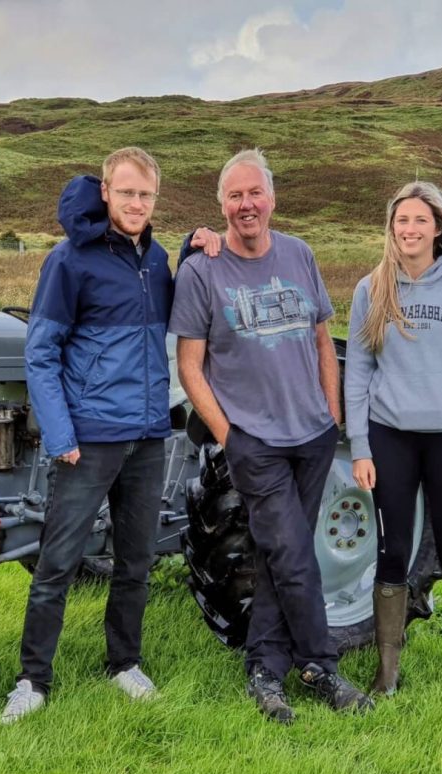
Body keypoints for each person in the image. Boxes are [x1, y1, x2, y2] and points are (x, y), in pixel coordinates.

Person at [171, 148, 374, 724]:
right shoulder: (201, 271)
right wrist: (229, 435)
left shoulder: (300, 254)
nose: (245, 206)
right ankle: (320, 664)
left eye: (253, 193)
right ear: (221, 206)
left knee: (274, 553)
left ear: (272, 198)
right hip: (253, 439)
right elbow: (190, 366)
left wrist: (329, 413)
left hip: (310, 434)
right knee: (290, 549)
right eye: (234, 197)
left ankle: (264, 667)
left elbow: (320, 341)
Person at [0, 147, 173, 723]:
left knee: (136, 561)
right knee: (58, 563)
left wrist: (201, 245)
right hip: (89, 437)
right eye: (126, 193)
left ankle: (124, 663)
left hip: (148, 435)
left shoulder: (158, 260)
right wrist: (60, 433)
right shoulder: (69, 261)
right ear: (106, 191)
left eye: (145, 195)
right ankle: (32, 680)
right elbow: (41, 353)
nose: (136, 204)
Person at [345, 181, 442, 694]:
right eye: (401, 221)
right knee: (391, 550)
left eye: (419, 221)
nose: (409, 230)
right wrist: (361, 448)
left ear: (437, 229)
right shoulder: (372, 288)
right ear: (392, 229)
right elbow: (357, 375)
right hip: (390, 439)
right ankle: (387, 671)